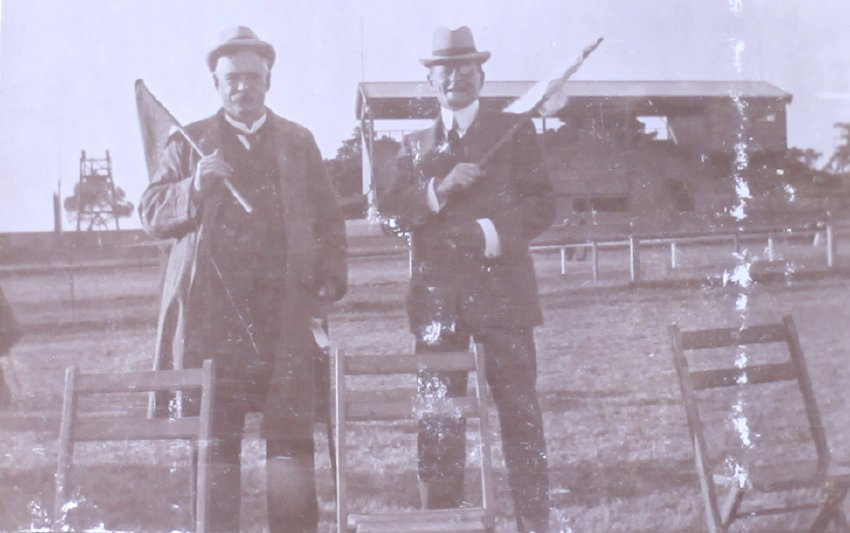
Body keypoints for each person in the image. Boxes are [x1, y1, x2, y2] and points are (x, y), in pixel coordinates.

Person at [139, 26, 347, 533]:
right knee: (215, 447)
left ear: (268, 81)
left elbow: (329, 220)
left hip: (285, 322)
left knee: (291, 445)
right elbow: (151, 212)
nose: (242, 87)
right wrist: (194, 185)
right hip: (215, 327)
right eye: (231, 78)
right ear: (216, 84)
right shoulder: (189, 142)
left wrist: (330, 276)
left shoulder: (298, 142)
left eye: (253, 77)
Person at [379, 26, 554, 533]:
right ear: (430, 81)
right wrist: (436, 189)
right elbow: (391, 217)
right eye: (443, 70)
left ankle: (534, 523)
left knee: (520, 417)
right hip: (437, 309)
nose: (454, 77)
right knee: (439, 420)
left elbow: (542, 203)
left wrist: (490, 232)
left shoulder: (515, 131)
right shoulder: (413, 146)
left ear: (481, 77)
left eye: (464, 68)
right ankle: (442, 523)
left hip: (505, 301)